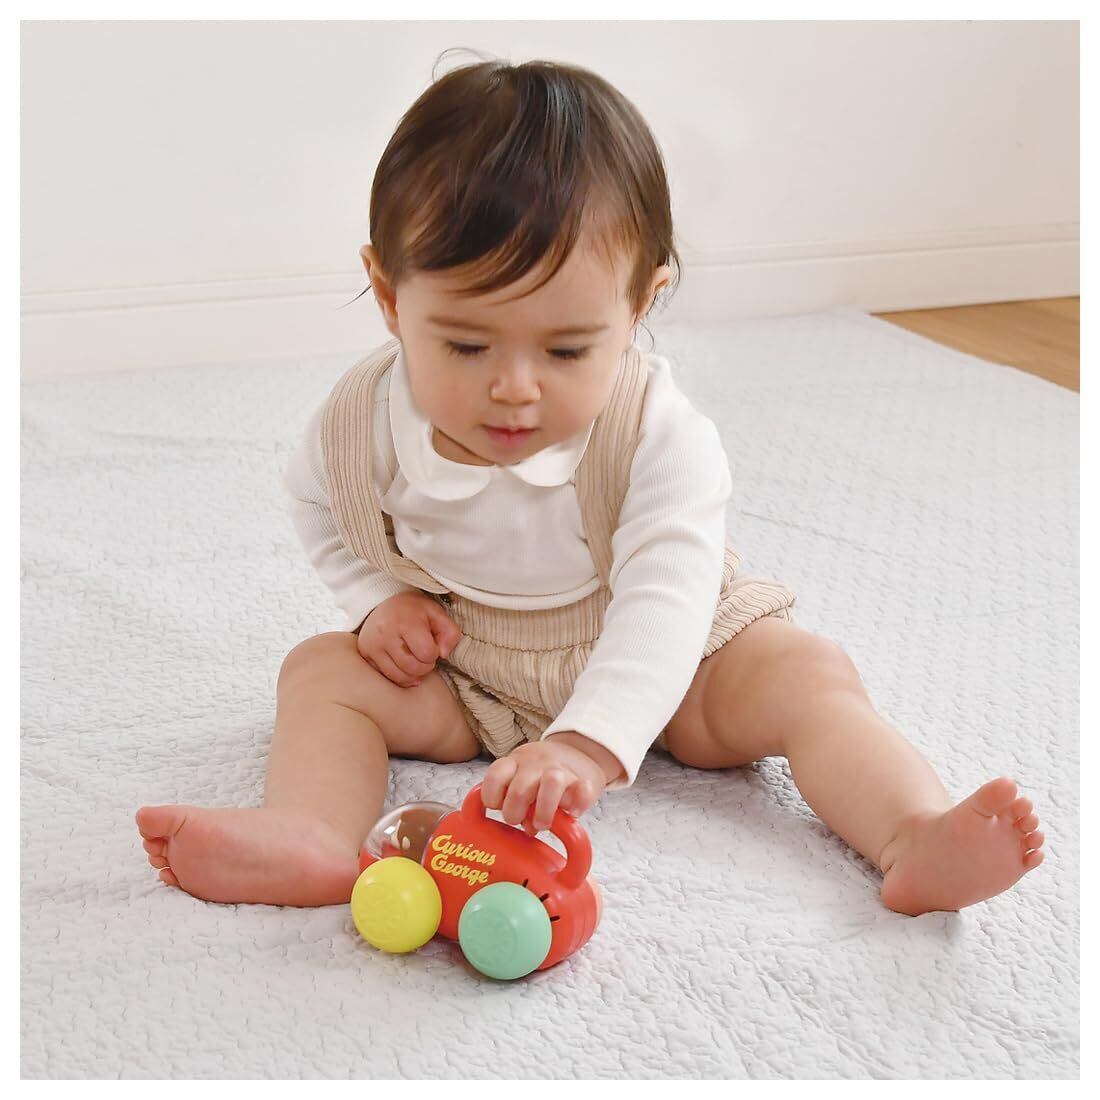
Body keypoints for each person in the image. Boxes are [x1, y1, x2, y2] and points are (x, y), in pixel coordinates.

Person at [136, 54, 1044, 917]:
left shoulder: (656, 433)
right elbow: (319, 506)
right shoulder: (360, 423)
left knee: (808, 673)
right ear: (388, 295)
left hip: (677, 662)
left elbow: (666, 599)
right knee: (321, 670)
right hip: (469, 666)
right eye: (466, 344)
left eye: (567, 350)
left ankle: (911, 832)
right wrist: (377, 600)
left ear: (639, 304)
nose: (515, 387)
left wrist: (586, 742)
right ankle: (314, 833)